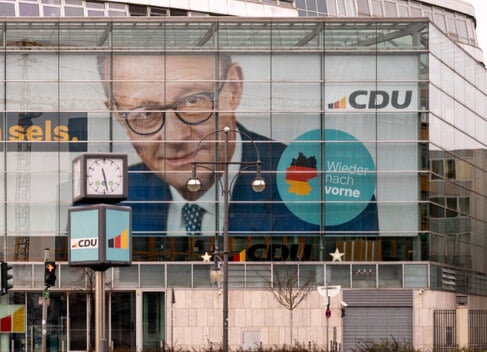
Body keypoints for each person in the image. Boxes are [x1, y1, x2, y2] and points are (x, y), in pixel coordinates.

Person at [102, 53, 378, 236]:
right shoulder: (108, 205)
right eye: (145, 115)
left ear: (233, 89)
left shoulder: (332, 198)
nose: (175, 137)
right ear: (118, 116)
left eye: (193, 101)